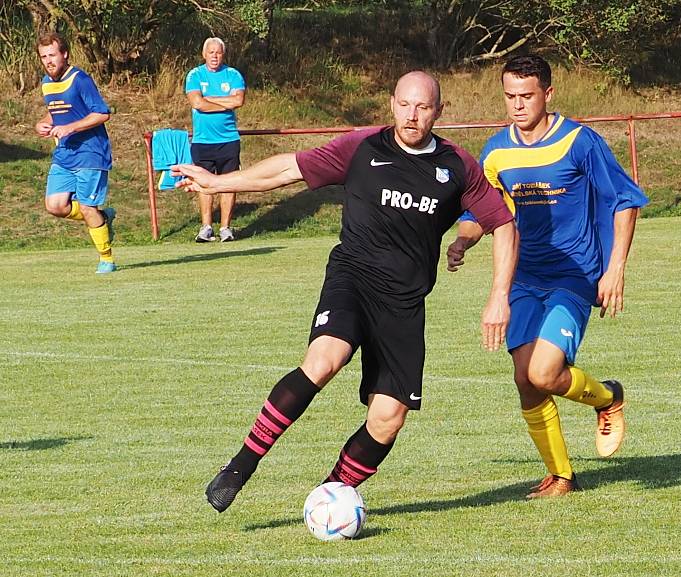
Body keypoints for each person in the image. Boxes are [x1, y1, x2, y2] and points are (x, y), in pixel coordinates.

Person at [173, 70, 518, 513]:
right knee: (323, 360)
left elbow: (503, 223)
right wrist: (219, 182)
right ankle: (240, 467)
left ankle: (330, 496)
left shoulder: (457, 166)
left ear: (439, 111)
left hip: (404, 303)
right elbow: (287, 168)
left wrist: (497, 296)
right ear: (392, 103)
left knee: (389, 418)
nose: (413, 116)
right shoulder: (363, 147)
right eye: (405, 105)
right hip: (353, 277)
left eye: (423, 107)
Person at [448, 55, 648, 497]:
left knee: (543, 372)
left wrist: (615, 270)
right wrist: (464, 240)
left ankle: (608, 397)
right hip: (522, 277)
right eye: (510, 96)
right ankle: (561, 475)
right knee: (525, 378)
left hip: (575, 275)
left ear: (548, 94)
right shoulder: (497, 150)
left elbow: (626, 201)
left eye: (527, 95)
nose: (517, 105)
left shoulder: (579, 141)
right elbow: (482, 212)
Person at [35, 32, 116, 274]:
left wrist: (71, 127)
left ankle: (107, 259)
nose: (48, 60)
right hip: (65, 154)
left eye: (52, 55)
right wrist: (41, 123)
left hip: (91, 152)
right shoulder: (46, 83)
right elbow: (58, 112)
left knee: (87, 207)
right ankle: (103, 217)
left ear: (65, 54)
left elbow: (102, 113)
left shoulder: (80, 79)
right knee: (55, 205)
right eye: (43, 56)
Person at [185, 37, 246, 242]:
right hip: (203, 141)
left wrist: (208, 99)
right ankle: (206, 227)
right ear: (204, 54)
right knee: (204, 184)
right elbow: (197, 103)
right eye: (211, 52)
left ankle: (226, 228)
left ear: (223, 54)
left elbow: (238, 100)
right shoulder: (195, 75)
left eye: (218, 52)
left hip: (228, 140)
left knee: (229, 183)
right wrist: (223, 103)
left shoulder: (233, 74)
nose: (214, 56)